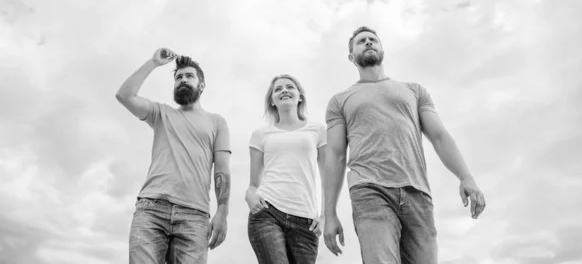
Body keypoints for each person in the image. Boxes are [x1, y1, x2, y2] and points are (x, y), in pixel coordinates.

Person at [322, 27, 487, 264]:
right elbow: (336, 155)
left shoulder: (414, 91)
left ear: (382, 49)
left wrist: (466, 177)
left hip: (417, 193)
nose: (368, 42)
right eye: (361, 41)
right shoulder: (340, 101)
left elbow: (439, 136)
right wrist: (330, 214)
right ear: (351, 57)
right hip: (369, 190)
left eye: (372, 40)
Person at [115, 48, 231, 264]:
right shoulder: (161, 114)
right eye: (178, 77)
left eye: (189, 76)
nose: (183, 80)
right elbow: (124, 95)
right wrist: (153, 62)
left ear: (202, 85)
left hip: (194, 215)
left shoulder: (217, 122)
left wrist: (222, 212)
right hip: (151, 209)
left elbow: (222, 169)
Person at [245, 74, 327, 264]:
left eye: (290, 87)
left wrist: (324, 216)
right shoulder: (260, 135)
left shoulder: (318, 131)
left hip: (306, 222)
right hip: (267, 213)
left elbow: (328, 178)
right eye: (278, 89)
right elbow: (253, 184)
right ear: (272, 101)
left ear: (300, 97)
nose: (284, 90)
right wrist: (250, 193)